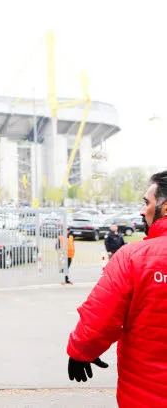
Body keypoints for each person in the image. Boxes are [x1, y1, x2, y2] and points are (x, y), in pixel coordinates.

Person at [66, 170, 167, 406]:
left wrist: (81, 351)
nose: (142, 211)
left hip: (146, 396)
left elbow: (101, 317)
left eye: (146, 202)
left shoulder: (134, 257)